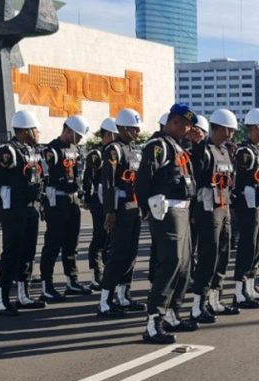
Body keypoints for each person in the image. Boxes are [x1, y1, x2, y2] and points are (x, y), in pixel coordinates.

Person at [137, 104, 198, 344]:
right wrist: (148, 209)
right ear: (172, 122)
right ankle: (154, 320)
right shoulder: (158, 146)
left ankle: (173, 313)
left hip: (182, 210)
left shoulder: (179, 147)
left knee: (184, 264)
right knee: (170, 262)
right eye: (184, 124)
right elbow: (143, 180)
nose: (187, 129)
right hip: (167, 210)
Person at [0, 111, 46, 315]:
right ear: (24, 130)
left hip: (31, 206)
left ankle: (23, 294)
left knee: (28, 252)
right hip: (14, 208)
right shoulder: (8, 150)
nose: (38, 133)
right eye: (35, 129)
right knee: (11, 252)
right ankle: (2, 300)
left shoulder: (32, 150)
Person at [188, 109, 241, 323]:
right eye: (229, 129)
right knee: (208, 256)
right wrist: (198, 147)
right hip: (208, 208)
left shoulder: (225, 150)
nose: (231, 134)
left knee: (223, 254)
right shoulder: (204, 150)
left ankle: (215, 299)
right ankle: (197, 305)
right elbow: (197, 177)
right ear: (218, 128)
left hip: (224, 205)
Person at [96, 109, 146, 318]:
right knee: (117, 255)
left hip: (135, 208)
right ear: (123, 128)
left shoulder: (135, 149)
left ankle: (123, 295)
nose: (137, 131)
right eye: (133, 128)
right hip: (121, 208)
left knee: (131, 254)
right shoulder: (113, 150)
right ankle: (105, 301)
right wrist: (110, 211)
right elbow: (108, 183)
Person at [39, 115, 92, 302]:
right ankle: (47, 284)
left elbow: (79, 173)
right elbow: (43, 176)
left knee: (72, 243)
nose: (79, 140)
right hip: (57, 199)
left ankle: (72, 280)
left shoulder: (76, 149)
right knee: (53, 243)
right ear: (67, 130)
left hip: (73, 199)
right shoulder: (51, 150)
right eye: (76, 135)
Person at [232, 108, 259, 308]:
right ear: (255, 127)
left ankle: (250, 286)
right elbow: (238, 180)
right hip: (247, 205)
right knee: (247, 246)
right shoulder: (244, 152)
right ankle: (239, 291)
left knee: (258, 247)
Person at [83, 118, 118, 291]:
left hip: (111, 199)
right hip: (99, 200)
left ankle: (107, 272)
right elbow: (88, 178)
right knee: (99, 237)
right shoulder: (96, 154)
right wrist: (88, 200)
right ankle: (96, 274)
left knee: (109, 239)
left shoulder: (114, 151)